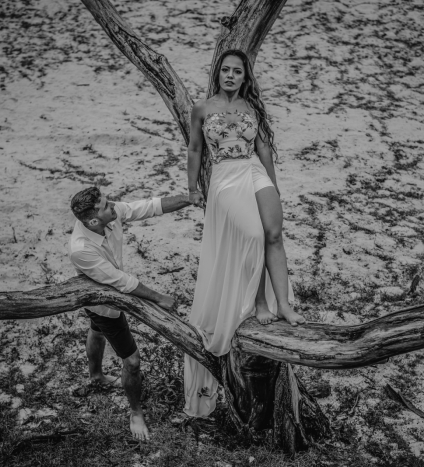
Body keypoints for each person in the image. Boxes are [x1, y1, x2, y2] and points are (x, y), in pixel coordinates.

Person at [183, 49, 306, 418]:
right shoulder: (203, 109)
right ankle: (259, 303)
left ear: (245, 76)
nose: (231, 76)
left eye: (237, 71)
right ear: (217, 74)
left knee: (273, 233)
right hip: (224, 177)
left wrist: (274, 185)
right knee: (252, 235)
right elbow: (194, 148)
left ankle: (283, 304)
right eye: (226, 70)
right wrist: (193, 188)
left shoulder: (253, 108)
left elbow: (264, 149)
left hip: (254, 171)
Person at [69, 186, 192, 440]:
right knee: (132, 361)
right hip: (103, 304)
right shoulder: (81, 248)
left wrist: (189, 199)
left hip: (102, 301)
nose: (113, 205)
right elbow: (120, 282)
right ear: (94, 220)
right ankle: (135, 413)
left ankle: (96, 376)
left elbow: (148, 206)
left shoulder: (110, 215)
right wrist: (159, 298)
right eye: (105, 205)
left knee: (96, 330)